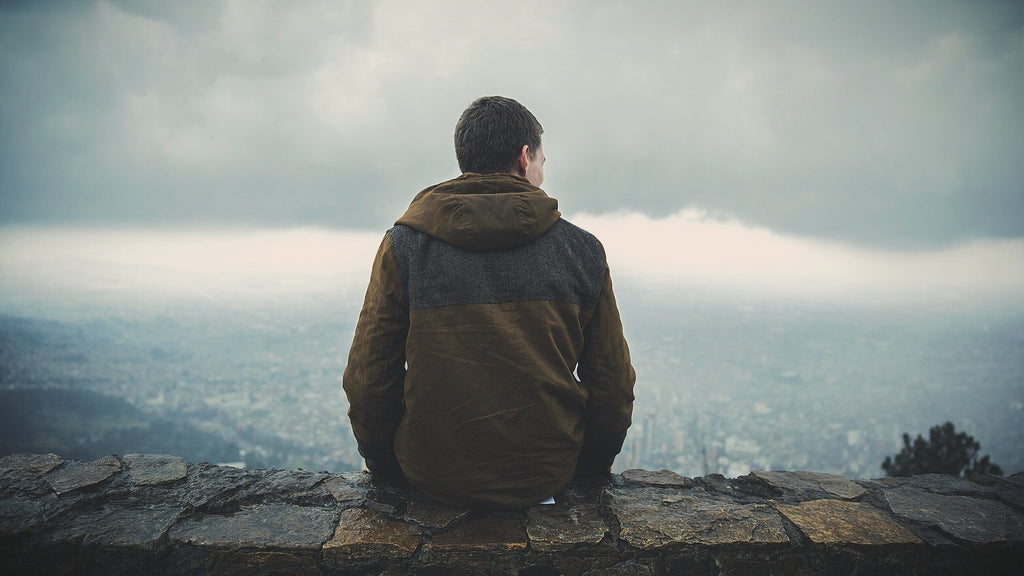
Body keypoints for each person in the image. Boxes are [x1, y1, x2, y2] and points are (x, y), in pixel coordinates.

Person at [343, 96, 635, 509]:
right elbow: (613, 387)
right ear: (523, 158)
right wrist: (587, 471)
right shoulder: (582, 251)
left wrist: (386, 467)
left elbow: (368, 378)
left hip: (430, 477)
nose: (541, 172)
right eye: (542, 161)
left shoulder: (404, 246)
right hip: (545, 479)